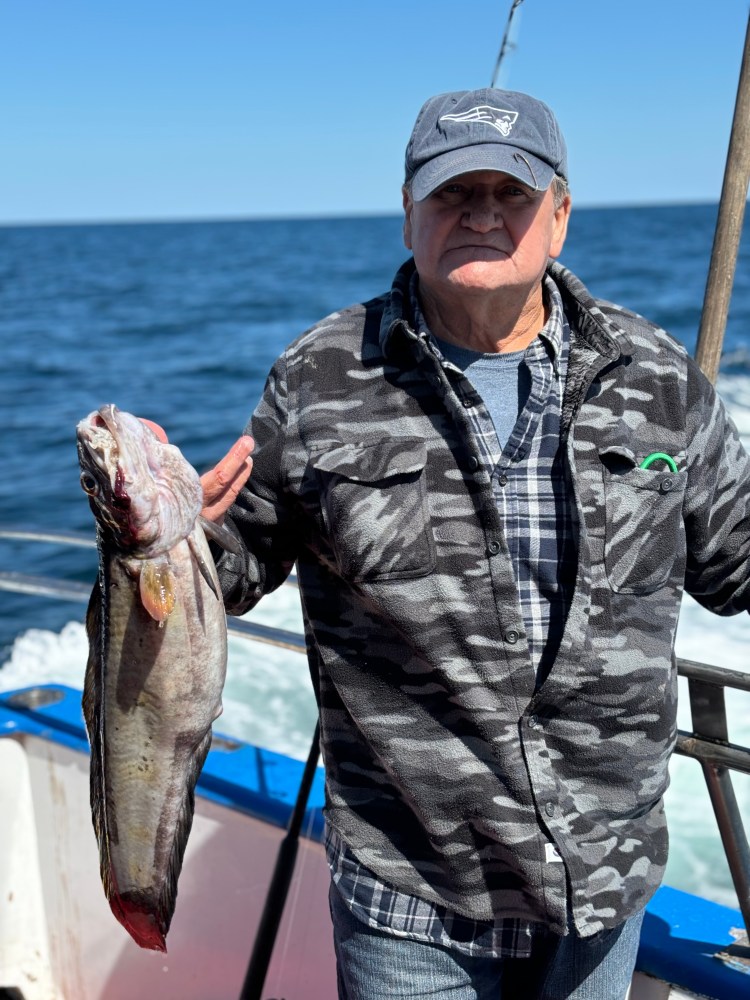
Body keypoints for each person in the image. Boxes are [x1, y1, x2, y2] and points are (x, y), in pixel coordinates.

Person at [195, 88, 750, 999]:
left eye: (511, 193)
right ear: (409, 214)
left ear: (559, 217)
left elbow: (737, 560)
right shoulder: (321, 377)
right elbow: (228, 571)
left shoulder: (658, 379)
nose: (483, 215)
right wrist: (161, 537)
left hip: (600, 896)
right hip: (414, 900)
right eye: (454, 194)